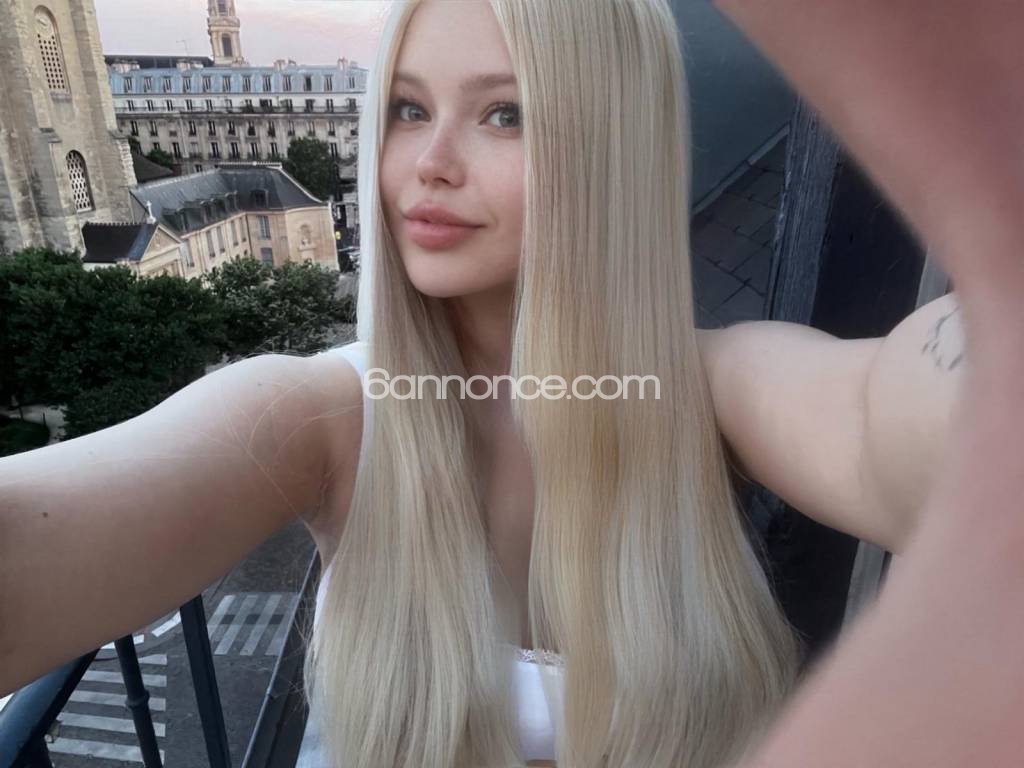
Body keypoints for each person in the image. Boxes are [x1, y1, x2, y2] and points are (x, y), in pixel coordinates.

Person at [0, 2, 1009, 768]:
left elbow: (911, 423)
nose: (428, 163)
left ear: (607, 146)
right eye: (407, 109)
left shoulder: (715, 386)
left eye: (504, 113)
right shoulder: (324, 413)